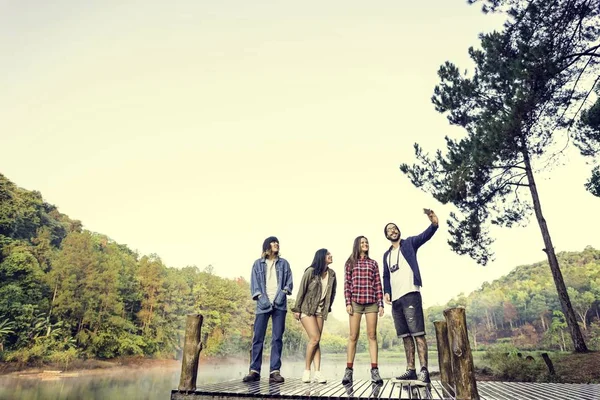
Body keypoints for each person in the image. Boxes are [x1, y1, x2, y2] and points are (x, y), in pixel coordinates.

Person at [382, 209, 439, 386]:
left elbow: (425, 236)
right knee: (406, 336)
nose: (393, 230)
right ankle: (411, 370)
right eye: (389, 229)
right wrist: (387, 291)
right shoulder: (386, 255)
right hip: (396, 300)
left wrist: (434, 224)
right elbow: (386, 275)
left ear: (398, 231)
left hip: (411, 294)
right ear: (386, 235)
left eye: (394, 228)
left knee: (418, 334)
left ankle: (424, 372)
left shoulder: (409, 244)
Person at [243, 236, 293, 383]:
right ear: (266, 246)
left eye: (277, 242)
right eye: (273, 242)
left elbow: (289, 283)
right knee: (258, 338)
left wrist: (282, 294)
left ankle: (274, 371)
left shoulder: (284, 264)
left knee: (277, 338)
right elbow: (254, 285)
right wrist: (262, 299)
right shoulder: (257, 264)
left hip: (280, 304)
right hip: (262, 304)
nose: (276, 244)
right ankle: (254, 371)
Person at [342, 236, 384, 385]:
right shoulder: (350, 263)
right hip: (355, 302)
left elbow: (378, 284)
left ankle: (374, 371)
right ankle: (348, 371)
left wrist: (380, 304)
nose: (365, 244)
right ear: (357, 246)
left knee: (372, 335)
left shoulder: (373, 263)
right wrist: (348, 302)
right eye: (362, 243)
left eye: (367, 242)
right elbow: (347, 284)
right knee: (353, 336)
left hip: (371, 302)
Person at [292, 248, 337, 384]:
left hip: (320, 311)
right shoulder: (310, 272)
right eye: (328, 254)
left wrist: (327, 308)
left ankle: (317, 373)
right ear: (321, 257)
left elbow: (333, 292)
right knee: (315, 338)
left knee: (317, 341)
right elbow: (301, 290)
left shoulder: (332, 274)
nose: (331, 255)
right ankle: (306, 371)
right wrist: (297, 309)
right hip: (307, 309)